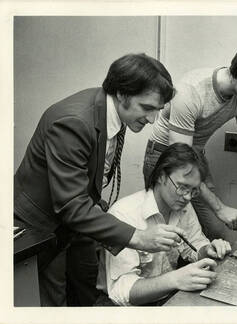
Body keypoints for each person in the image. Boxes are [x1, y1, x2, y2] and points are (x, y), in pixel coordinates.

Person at [14, 53, 185, 306]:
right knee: (54, 301)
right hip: (43, 227)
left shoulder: (113, 111)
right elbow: (72, 205)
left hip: (77, 220)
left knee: (86, 289)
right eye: (147, 108)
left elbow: (89, 180)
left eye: (157, 110)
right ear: (122, 94)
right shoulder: (73, 122)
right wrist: (138, 237)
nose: (152, 120)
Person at [143, 35, 237, 240]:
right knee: (174, 234)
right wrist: (220, 208)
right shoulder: (190, 92)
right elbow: (180, 162)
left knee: (215, 232)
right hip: (165, 157)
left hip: (193, 156)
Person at [96, 143, 231, 306]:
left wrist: (207, 251)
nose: (188, 197)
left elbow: (194, 244)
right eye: (183, 187)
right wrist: (175, 279)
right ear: (161, 175)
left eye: (194, 191)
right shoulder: (124, 214)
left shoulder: (183, 206)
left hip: (166, 297)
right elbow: (121, 291)